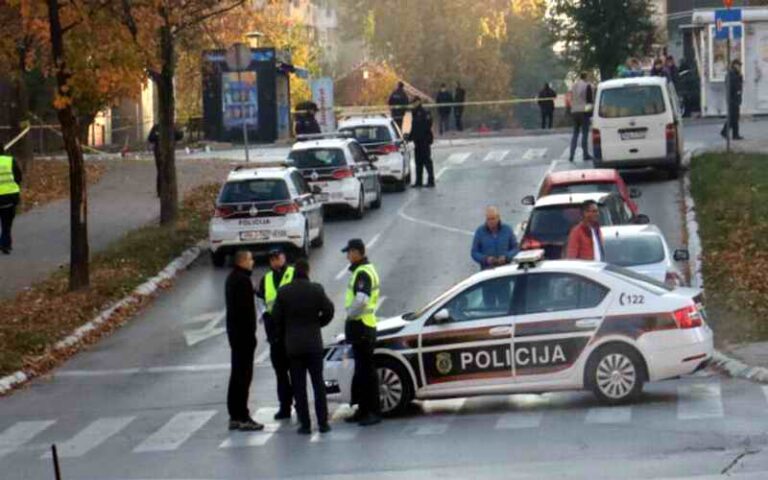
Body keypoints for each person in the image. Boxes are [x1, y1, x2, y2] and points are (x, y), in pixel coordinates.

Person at [272, 258, 334, 435]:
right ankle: (323, 423)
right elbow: (329, 310)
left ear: (294, 272)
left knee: (299, 386)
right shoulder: (316, 289)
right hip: (313, 344)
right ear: (308, 271)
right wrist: (318, 323)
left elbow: (276, 317)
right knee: (318, 384)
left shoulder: (284, 292)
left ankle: (305, 424)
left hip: (293, 346)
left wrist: (286, 331)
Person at [341, 239, 382, 427]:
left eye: (349, 252)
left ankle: (373, 411)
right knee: (361, 371)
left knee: (367, 372)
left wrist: (350, 314)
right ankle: (363, 409)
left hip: (362, 326)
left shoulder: (363, 272)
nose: (347, 256)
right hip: (363, 326)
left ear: (357, 252)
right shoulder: (363, 270)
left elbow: (362, 300)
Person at [224, 250, 263, 432]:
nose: (253, 262)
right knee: (243, 376)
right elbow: (245, 311)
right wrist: (251, 335)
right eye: (250, 259)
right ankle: (242, 416)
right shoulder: (242, 280)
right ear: (243, 261)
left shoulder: (232, 278)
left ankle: (234, 415)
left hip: (235, 334)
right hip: (243, 336)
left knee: (236, 374)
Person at [255, 248, 295, 420]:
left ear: (284, 257)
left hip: (292, 332)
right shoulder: (266, 279)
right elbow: (260, 300)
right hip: (275, 334)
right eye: (271, 259)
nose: (274, 261)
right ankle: (284, 406)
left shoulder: (294, 273)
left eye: (277, 257)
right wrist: (264, 315)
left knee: (296, 373)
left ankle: (300, 405)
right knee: (281, 374)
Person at [471, 206, 519, 307]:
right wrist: (485, 259)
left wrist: (507, 257)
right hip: (487, 275)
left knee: (505, 305)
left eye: (493, 218)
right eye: (488, 219)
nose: (491, 222)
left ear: (498, 218)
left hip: (503, 275)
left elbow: (516, 248)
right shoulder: (480, 232)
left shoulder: (507, 230)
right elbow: (474, 252)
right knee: (489, 306)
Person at [148, 124, 183, 197]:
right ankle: (160, 191)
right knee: (161, 171)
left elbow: (179, 136)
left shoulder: (171, 126)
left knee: (169, 170)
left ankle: (169, 190)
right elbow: (150, 138)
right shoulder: (157, 127)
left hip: (169, 152)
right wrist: (158, 136)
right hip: (159, 151)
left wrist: (179, 131)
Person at [0, 146, 22, 255]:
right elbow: (18, 177)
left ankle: (4, 243)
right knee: (6, 223)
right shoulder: (9, 161)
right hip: (9, 197)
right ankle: (5, 244)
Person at [410, 97, 435, 188]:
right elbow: (412, 127)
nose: (413, 104)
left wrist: (421, 133)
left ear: (419, 102)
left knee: (427, 161)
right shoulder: (413, 113)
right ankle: (418, 181)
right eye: (412, 103)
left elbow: (428, 124)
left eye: (414, 102)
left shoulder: (425, 112)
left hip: (424, 140)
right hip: (417, 141)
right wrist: (410, 137)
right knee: (418, 161)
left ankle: (431, 181)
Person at [568, 73, 593, 162]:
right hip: (583, 111)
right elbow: (589, 101)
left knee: (575, 133)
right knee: (585, 133)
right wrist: (589, 114)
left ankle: (571, 154)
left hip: (574, 111)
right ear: (586, 77)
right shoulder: (587, 86)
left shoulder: (574, 86)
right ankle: (585, 154)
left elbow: (571, 98)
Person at [721, 59, 744, 140]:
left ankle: (735, 134)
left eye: (740, 66)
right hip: (732, 98)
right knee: (732, 117)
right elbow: (732, 86)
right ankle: (725, 131)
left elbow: (739, 85)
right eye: (738, 65)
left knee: (735, 117)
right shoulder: (731, 74)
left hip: (736, 98)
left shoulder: (737, 74)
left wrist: (740, 76)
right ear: (734, 65)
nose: (740, 67)